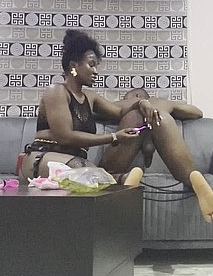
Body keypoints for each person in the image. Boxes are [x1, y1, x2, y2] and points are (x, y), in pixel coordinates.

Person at [22, 29, 148, 189]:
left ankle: (117, 181)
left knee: (86, 171)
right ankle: (118, 180)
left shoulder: (90, 97)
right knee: (83, 170)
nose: (96, 72)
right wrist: (114, 137)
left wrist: (141, 103)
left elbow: (120, 112)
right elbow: (65, 136)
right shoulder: (56, 91)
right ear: (74, 66)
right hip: (43, 157)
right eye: (91, 65)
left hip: (76, 162)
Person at [100, 88, 213, 222]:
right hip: (161, 119)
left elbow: (96, 111)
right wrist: (172, 109)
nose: (124, 100)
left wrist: (128, 105)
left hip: (134, 122)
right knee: (162, 118)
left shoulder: (130, 103)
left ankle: (122, 178)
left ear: (136, 95)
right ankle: (191, 176)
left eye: (125, 97)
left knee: (103, 175)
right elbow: (197, 113)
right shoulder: (162, 102)